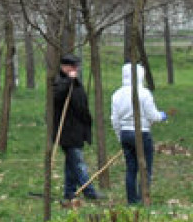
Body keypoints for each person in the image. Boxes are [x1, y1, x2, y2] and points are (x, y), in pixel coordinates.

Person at [110, 63, 168, 206]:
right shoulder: (143, 93)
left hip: (125, 134)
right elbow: (152, 115)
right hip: (142, 134)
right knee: (145, 167)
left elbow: (114, 119)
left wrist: (120, 136)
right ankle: (143, 199)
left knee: (131, 169)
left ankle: (132, 201)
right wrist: (161, 116)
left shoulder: (117, 94)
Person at [51, 54, 100, 202]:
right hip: (67, 131)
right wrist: (68, 81)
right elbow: (57, 97)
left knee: (71, 164)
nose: (75, 69)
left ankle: (69, 191)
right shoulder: (60, 82)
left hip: (77, 130)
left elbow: (81, 106)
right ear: (64, 67)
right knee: (78, 163)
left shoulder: (76, 83)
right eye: (72, 66)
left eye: (76, 66)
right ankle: (90, 192)